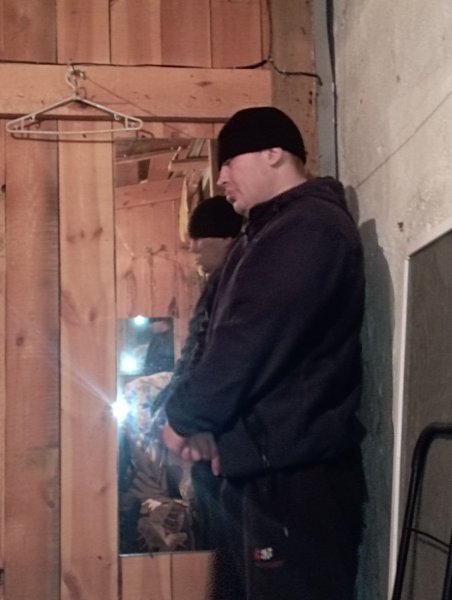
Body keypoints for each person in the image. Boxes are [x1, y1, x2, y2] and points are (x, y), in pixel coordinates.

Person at [162, 106, 367, 600]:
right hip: (264, 471)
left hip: (295, 478)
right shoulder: (264, 234)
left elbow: (248, 339)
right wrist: (209, 427)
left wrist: (186, 417)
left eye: (230, 162)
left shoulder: (308, 227)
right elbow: (217, 340)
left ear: (274, 153)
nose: (221, 178)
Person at [155, 195, 244, 550]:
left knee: (227, 537)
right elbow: (197, 355)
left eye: (200, 239)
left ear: (226, 239)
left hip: (228, 439)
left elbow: (218, 358)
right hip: (214, 432)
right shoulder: (222, 283)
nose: (193, 249)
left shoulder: (236, 283)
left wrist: (190, 419)